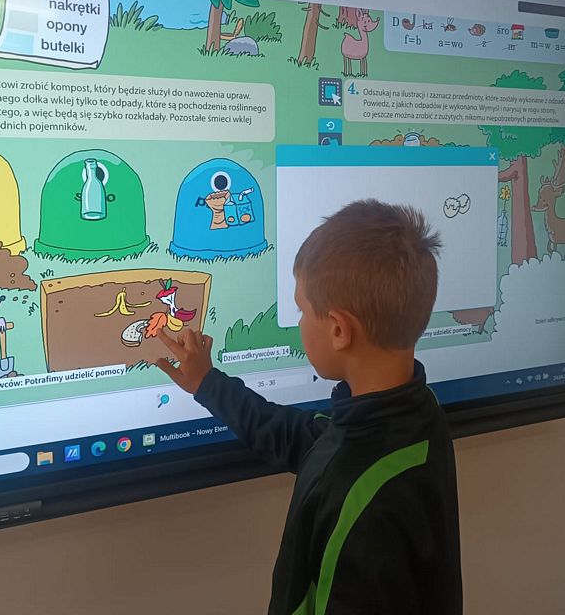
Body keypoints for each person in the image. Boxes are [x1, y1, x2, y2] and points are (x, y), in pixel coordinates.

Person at [156, 200, 462, 614]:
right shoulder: (409, 413)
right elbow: (298, 437)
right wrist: (208, 384)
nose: (299, 322)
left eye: (302, 310)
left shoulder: (366, 504)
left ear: (338, 329)